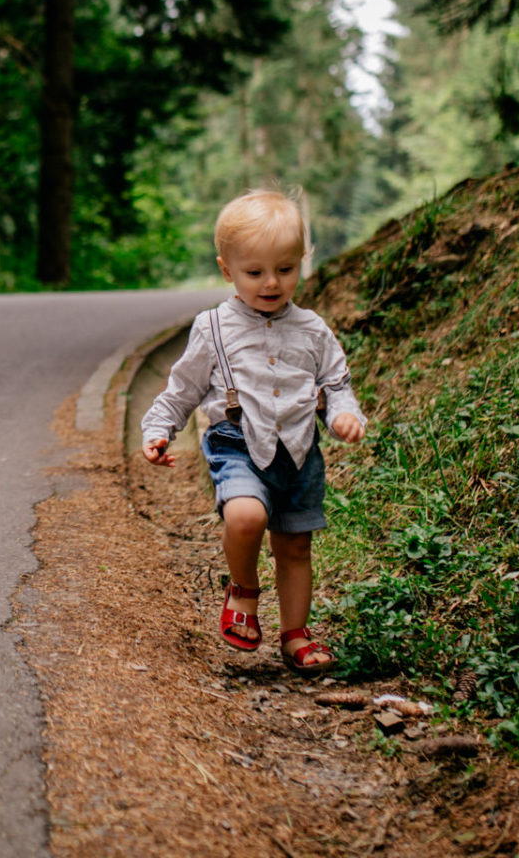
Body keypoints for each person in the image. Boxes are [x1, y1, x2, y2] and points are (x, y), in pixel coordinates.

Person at [140, 188, 366, 675]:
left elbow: (336, 383)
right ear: (227, 270)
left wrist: (344, 414)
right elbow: (182, 389)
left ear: (300, 264)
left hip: (300, 453)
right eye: (255, 272)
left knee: (294, 546)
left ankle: (295, 634)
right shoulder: (213, 328)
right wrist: (158, 429)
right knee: (245, 516)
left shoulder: (312, 330)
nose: (271, 283)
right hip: (236, 444)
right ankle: (243, 587)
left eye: (284, 269)